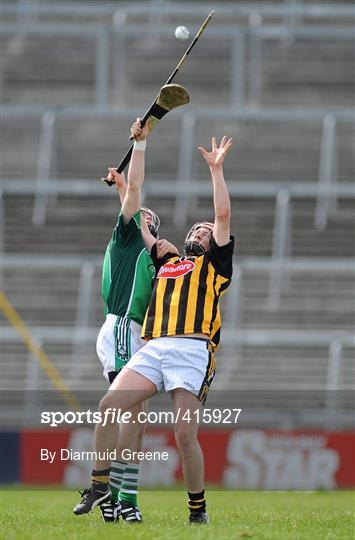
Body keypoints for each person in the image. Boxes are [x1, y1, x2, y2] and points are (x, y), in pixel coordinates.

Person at [94, 135, 234, 524]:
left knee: (183, 434)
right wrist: (123, 190)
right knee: (109, 406)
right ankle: (103, 489)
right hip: (154, 347)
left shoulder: (214, 266)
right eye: (199, 227)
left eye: (207, 231)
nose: (204, 230)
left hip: (192, 349)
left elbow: (221, 215)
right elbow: (135, 225)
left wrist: (216, 170)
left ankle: (197, 510)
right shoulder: (167, 260)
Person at [73, 119, 178, 523]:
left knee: (136, 416)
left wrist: (122, 184)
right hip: (122, 328)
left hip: (139, 335)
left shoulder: (150, 256)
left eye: (147, 216)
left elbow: (129, 192)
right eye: (138, 213)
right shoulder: (126, 235)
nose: (141, 214)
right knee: (123, 412)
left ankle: (122, 497)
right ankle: (106, 486)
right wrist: (141, 145)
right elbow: (134, 192)